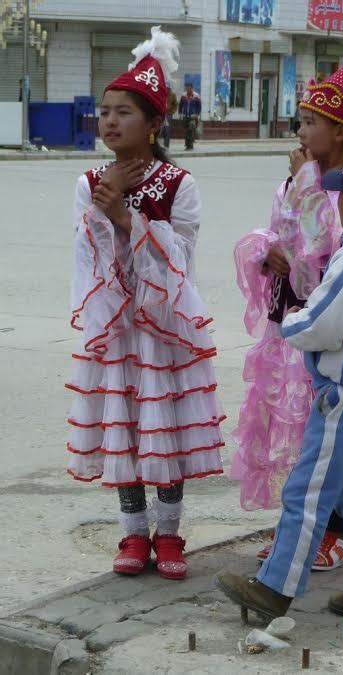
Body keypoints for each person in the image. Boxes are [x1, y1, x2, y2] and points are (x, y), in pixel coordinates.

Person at [230, 36, 343, 571]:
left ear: (340, 131)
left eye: (311, 121)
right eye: (302, 119)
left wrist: (300, 224)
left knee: (330, 434)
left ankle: (331, 531)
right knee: (299, 432)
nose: (302, 130)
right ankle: (311, 527)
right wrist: (270, 252)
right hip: (294, 323)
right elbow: (285, 237)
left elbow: (324, 260)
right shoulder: (302, 176)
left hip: (331, 329)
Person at [217, 151, 343, 623]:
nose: (337, 201)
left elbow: (327, 321)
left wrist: (293, 323)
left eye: (342, 193)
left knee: (306, 494)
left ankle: (273, 589)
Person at [66, 27, 224, 581]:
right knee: (127, 426)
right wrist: (106, 210)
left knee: (165, 428)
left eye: (124, 112)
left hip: (165, 326)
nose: (109, 121)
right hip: (118, 324)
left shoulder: (180, 184)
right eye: (104, 112)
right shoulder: (90, 183)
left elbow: (178, 260)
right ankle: (133, 534)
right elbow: (89, 261)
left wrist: (126, 216)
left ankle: (171, 532)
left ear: (155, 123)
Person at [179, 83, 201, 150]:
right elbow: (180, 105)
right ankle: (187, 144)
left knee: (191, 130)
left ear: (192, 88)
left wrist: (197, 114)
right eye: (187, 88)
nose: (188, 89)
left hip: (192, 117)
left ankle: (190, 145)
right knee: (186, 131)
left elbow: (199, 106)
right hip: (185, 116)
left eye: (189, 88)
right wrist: (180, 113)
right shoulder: (183, 95)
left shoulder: (196, 96)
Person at [160, 84, 178, 149]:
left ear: (169, 88)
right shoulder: (161, 94)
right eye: (165, 88)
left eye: (167, 88)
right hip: (161, 114)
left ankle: (166, 146)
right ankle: (157, 145)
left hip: (168, 115)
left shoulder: (172, 95)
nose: (166, 89)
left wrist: (172, 112)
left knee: (167, 130)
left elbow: (175, 104)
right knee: (160, 130)